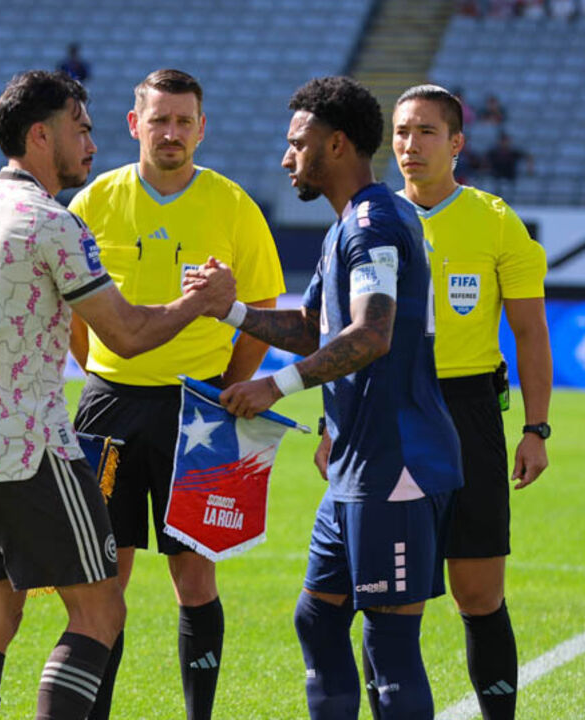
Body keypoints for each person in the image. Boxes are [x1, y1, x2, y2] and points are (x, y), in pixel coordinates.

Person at [0, 69, 234, 720]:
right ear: (41, 135)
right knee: (99, 611)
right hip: (35, 453)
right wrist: (198, 303)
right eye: (81, 128)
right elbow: (123, 335)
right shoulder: (52, 222)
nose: (92, 143)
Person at [215, 76, 462, 719]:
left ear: (337, 145)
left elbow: (371, 335)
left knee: (389, 646)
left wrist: (275, 385)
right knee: (318, 622)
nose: (285, 157)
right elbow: (311, 330)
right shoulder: (347, 226)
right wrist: (233, 310)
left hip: (396, 466)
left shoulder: (374, 223)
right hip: (358, 468)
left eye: (298, 143)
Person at [64, 68, 285, 720]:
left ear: (201, 128)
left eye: (184, 121)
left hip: (203, 412)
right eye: (159, 119)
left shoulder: (233, 204)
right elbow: (73, 319)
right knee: (104, 582)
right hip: (107, 408)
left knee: (195, 578)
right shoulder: (93, 203)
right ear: (134, 125)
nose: (172, 132)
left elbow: (263, 306)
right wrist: (104, 371)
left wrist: (225, 387)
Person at [389, 84, 553, 719]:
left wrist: (536, 427)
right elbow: (342, 335)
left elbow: (531, 332)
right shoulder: (370, 217)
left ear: (457, 143)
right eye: (402, 132)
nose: (411, 145)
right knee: (390, 593)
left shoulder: (493, 219)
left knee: (478, 594)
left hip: (467, 414)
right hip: (389, 410)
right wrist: (331, 423)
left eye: (426, 132)